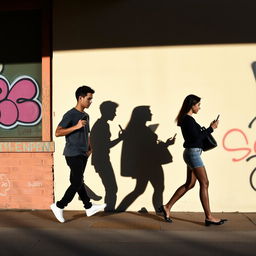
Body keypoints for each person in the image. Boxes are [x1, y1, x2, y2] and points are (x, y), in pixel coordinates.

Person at [160, 94, 227, 226]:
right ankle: (209, 217)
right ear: (192, 105)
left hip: (192, 153)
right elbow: (196, 138)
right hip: (193, 154)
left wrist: (208, 128)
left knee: (190, 184)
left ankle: (167, 206)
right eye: (198, 105)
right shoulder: (188, 120)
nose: (199, 107)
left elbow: (195, 136)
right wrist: (211, 128)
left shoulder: (187, 119)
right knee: (205, 183)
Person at [50, 85, 106, 223]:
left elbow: (87, 134)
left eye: (91, 99)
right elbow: (57, 132)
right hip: (72, 153)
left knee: (77, 181)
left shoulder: (86, 115)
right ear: (80, 98)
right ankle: (59, 205)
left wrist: (90, 148)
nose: (90, 101)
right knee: (76, 182)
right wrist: (76, 126)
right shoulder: (70, 114)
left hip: (83, 153)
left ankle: (88, 206)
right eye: (89, 98)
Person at [116, 106, 175, 213]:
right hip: (151, 164)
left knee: (140, 190)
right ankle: (160, 211)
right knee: (158, 188)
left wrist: (165, 144)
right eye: (149, 112)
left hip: (144, 165)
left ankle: (119, 210)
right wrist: (165, 144)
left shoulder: (137, 128)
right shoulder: (141, 129)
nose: (151, 114)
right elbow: (148, 148)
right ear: (142, 115)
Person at [90, 101, 124, 211]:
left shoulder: (101, 124)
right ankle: (109, 211)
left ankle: (109, 210)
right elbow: (106, 145)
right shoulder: (103, 125)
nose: (115, 114)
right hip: (102, 160)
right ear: (107, 112)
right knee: (112, 187)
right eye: (113, 111)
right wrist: (120, 139)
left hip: (100, 159)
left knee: (111, 187)